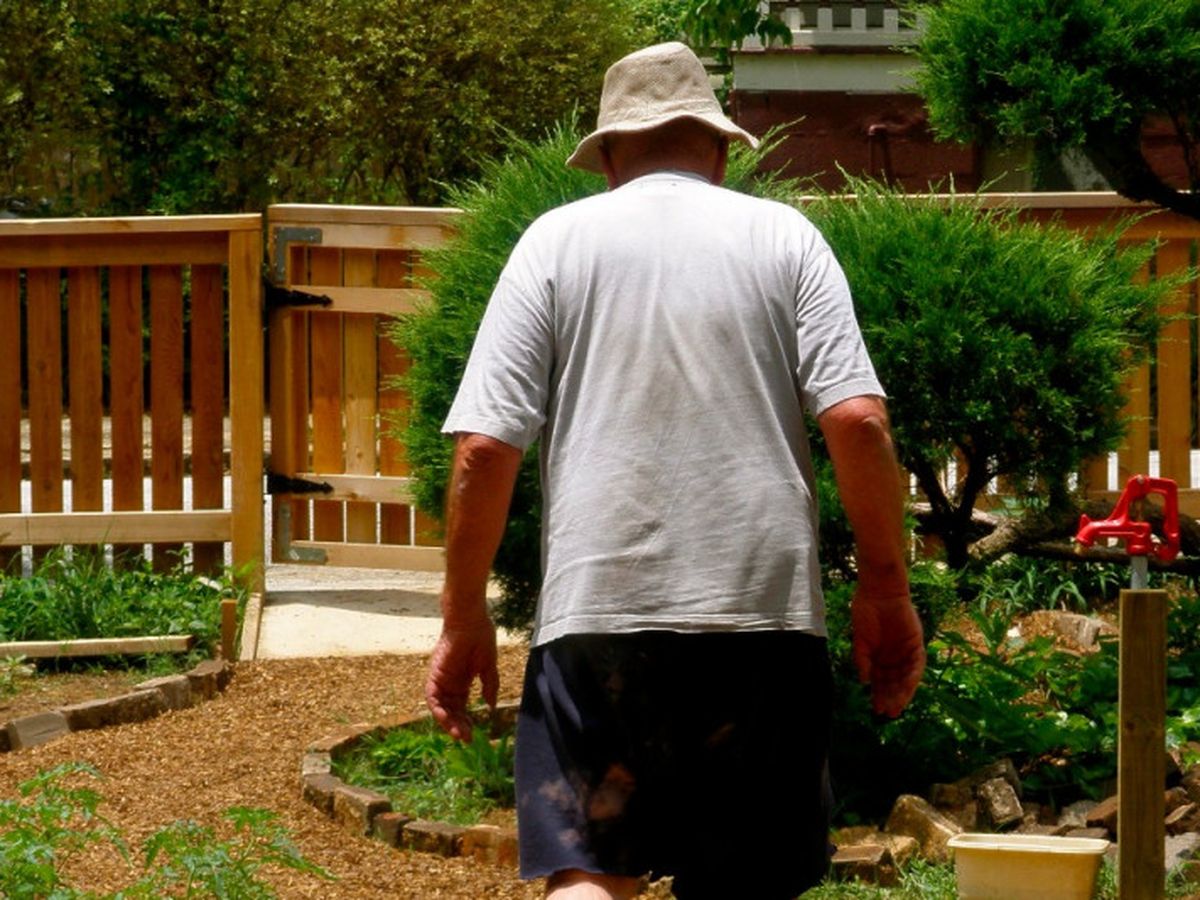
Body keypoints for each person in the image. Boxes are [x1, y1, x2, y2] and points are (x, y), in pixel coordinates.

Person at [426, 41, 925, 900]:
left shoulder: (554, 243)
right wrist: (884, 587)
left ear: (610, 156)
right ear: (722, 151)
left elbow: (484, 449)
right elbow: (857, 420)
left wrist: (463, 616)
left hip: (599, 617)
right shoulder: (787, 238)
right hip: (763, 620)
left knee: (590, 875)